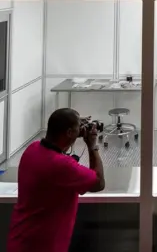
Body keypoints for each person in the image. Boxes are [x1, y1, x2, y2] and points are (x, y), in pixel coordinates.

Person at [7, 108, 105, 252]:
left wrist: (73, 127)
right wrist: (92, 145)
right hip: (43, 246)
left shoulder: (32, 149)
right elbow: (99, 182)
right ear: (69, 132)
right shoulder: (62, 166)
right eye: (78, 128)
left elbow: (58, 142)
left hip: (20, 241)